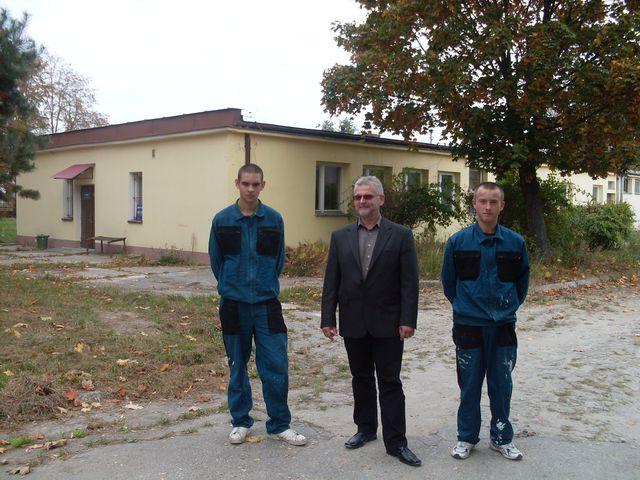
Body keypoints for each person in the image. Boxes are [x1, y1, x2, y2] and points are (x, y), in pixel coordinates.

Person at [321, 176, 422, 467]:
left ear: (381, 199)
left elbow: (409, 282)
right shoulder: (340, 237)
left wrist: (408, 319)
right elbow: (332, 280)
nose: (362, 201)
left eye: (368, 196)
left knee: (390, 382)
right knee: (361, 378)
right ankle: (365, 429)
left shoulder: (400, 235)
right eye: (358, 197)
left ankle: (397, 442)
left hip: (389, 322)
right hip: (353, 320)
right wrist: (327, 317)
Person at [208, 163, 306, 446]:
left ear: (263, 185)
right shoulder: (222, 220)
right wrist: (232, 284)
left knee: (276, 365)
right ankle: (240, 422)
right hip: (233, 305)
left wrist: (263, 284)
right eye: (245, 184)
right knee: (237, 365)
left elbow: (278, 261)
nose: (250, 189)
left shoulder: (273, 219)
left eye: (255, 184)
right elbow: (216, 261)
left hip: (266, 306)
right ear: (237, 184)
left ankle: (279, 425)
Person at [441, 181, 530, 461]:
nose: (487, 207)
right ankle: (466, 437)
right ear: (475, 204)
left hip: (502, 326)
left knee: (501, 385)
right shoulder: (458, 242)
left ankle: (501, 438)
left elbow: (522, 283)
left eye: (493, 202)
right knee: (469, 385)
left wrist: (508, 308)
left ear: (502, 205)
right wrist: (465, 307)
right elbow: (449, 283)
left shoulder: (515, 243)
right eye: (482, 201)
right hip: (468, 326)